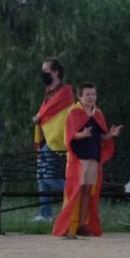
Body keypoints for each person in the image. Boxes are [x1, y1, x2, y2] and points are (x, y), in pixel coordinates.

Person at [52, 83, 122, 238]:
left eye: (93, 94)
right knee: (74, 191)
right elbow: (69, 135)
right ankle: (68, 226)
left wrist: (111, 135)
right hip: (78, 160)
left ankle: (82, 224)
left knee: (87, 191)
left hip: (93, 159)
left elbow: (101, 137)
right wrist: (80, 135)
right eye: (88, 94)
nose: (91, 97)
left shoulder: (97, 114)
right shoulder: (74, 113)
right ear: (80, 97)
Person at [32, 57, 75, 221]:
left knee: (50, 178)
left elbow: (52, 113)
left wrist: (39, 117)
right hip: (48, 140)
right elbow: (47, 111)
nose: (43, 75)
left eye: (46, 71)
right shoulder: (49, 91)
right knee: (41, 177)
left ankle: (76, 196)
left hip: (58, 140)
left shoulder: (65, 92)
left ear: (56, 73)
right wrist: (40, 117)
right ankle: (45, 214)